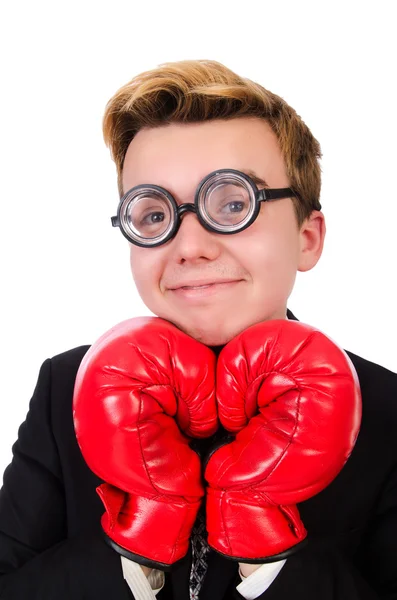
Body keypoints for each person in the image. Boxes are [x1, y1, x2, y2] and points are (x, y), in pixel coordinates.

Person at [0, 59, 396, 600]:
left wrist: (271, 553)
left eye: (234, 204)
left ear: (308, 237)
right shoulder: (63, 387)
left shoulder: (387, 408)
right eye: (154, 214)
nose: (190, 247)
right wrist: (134, 543)